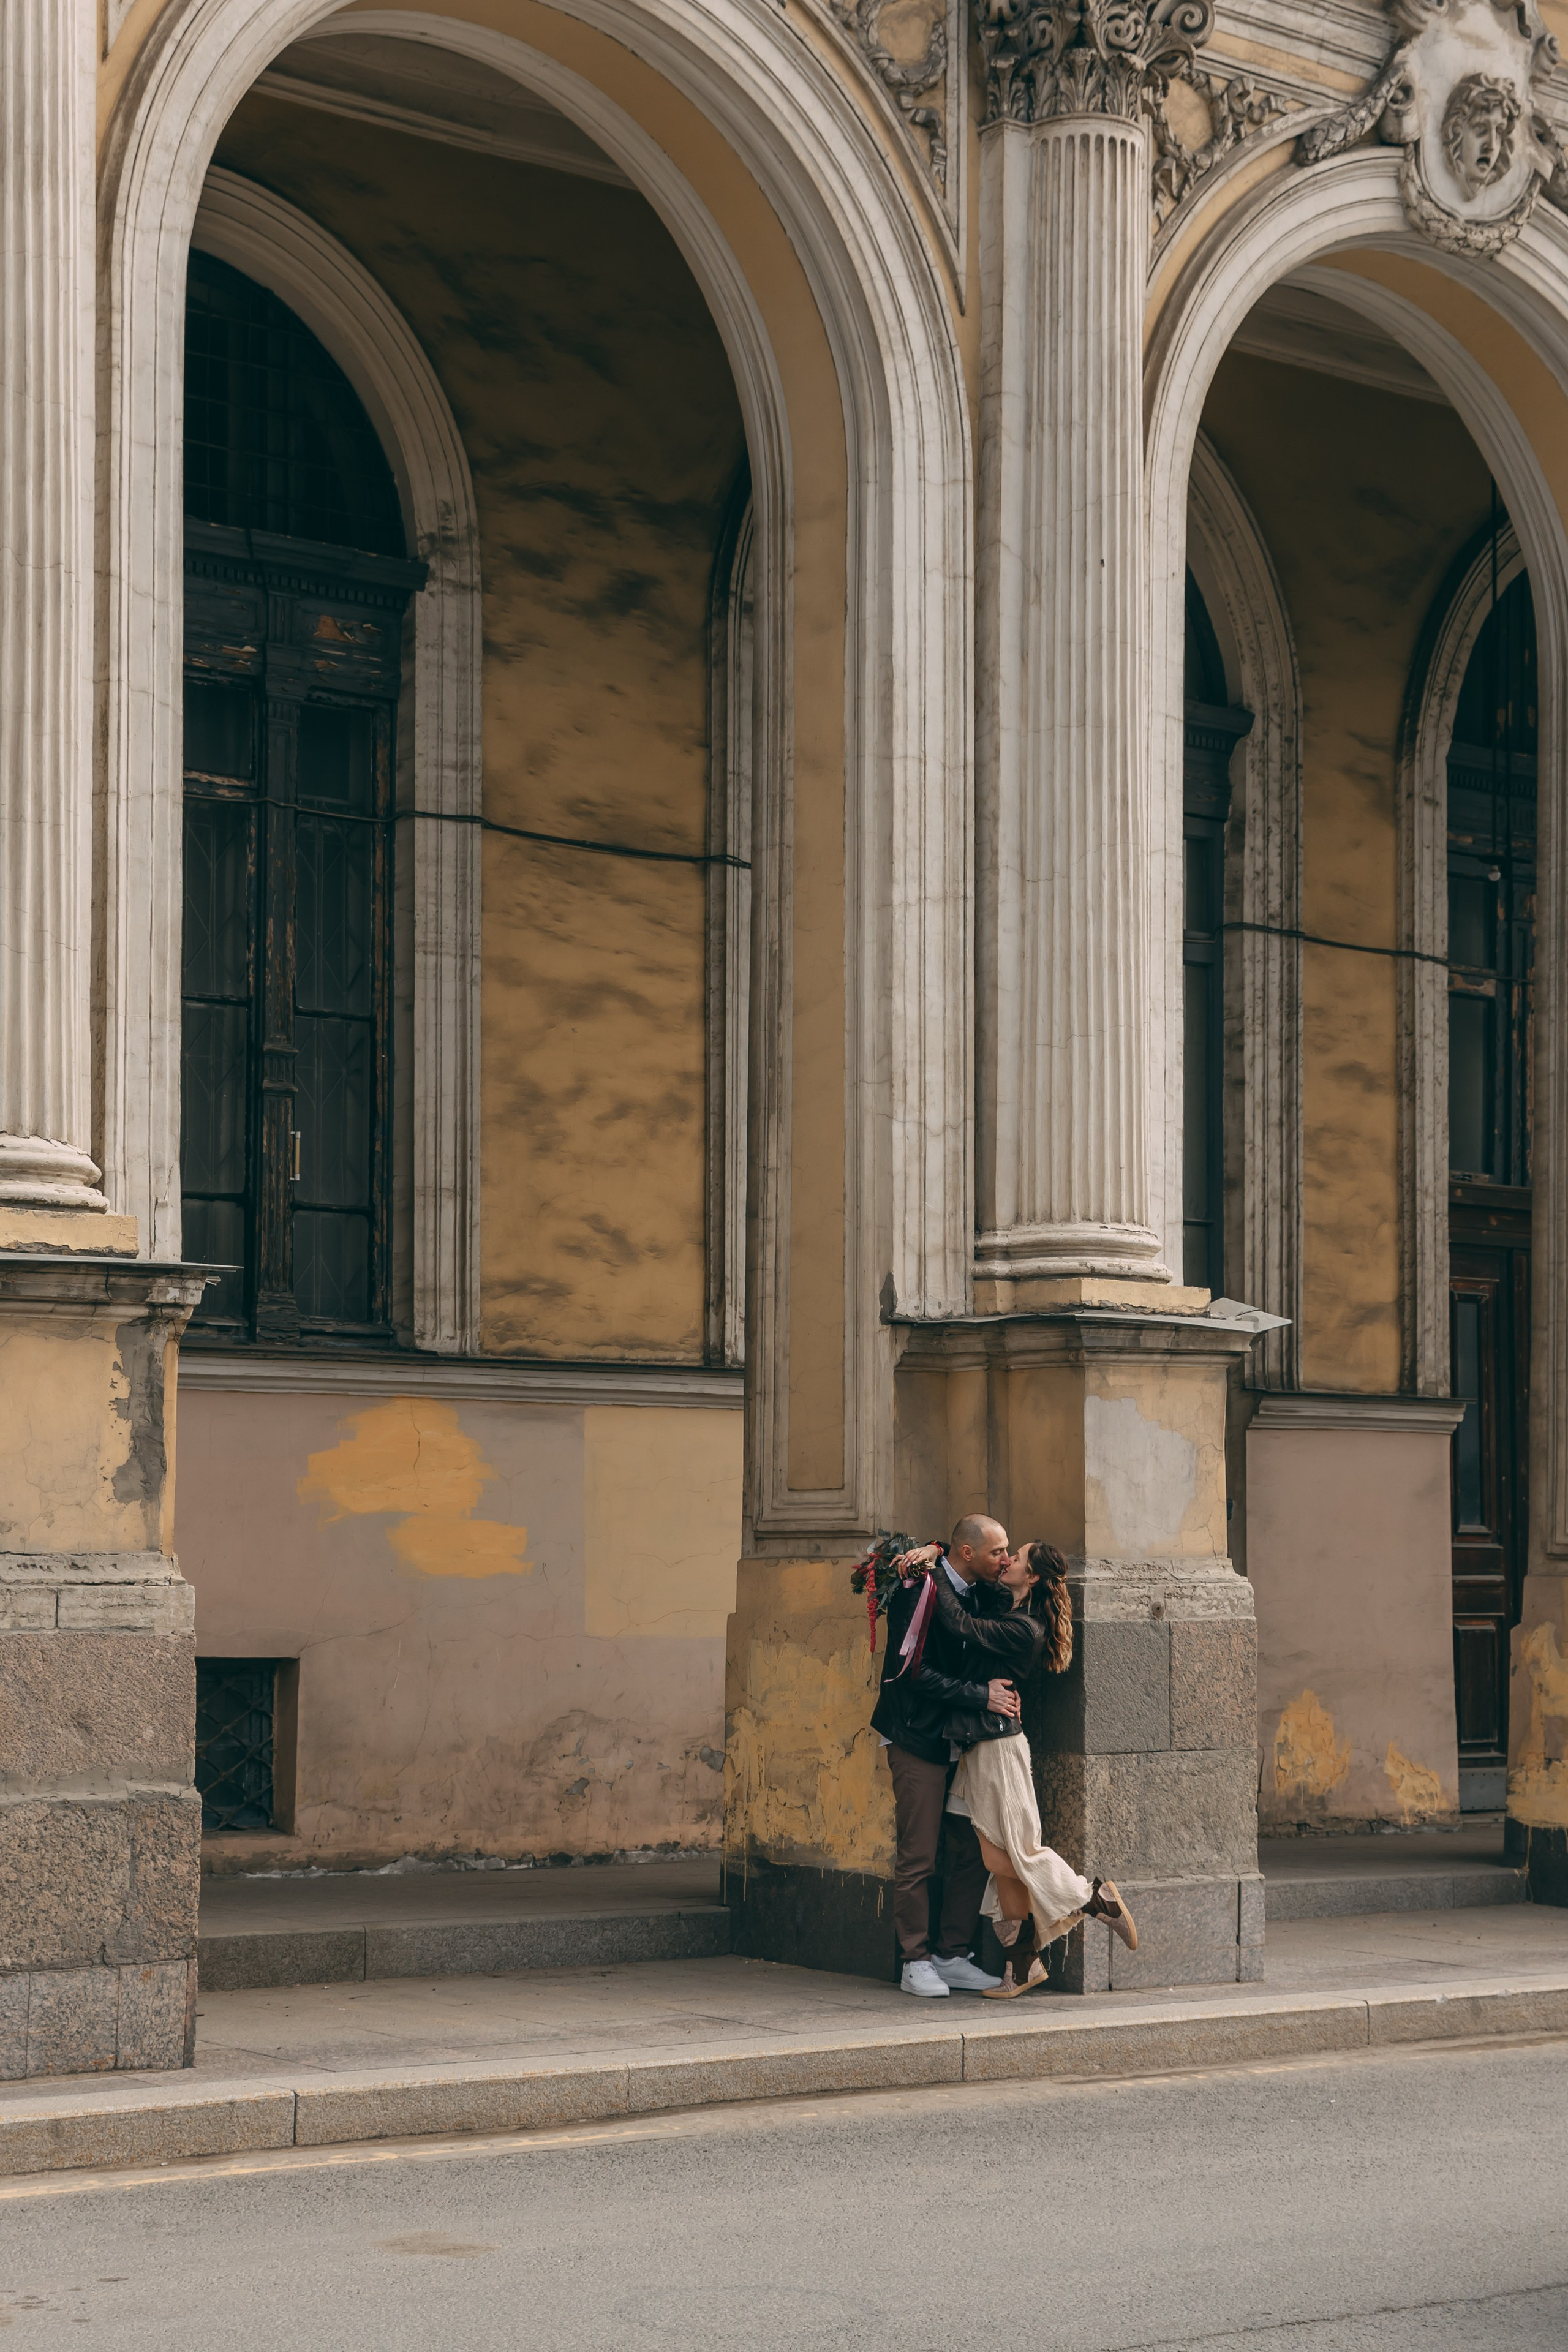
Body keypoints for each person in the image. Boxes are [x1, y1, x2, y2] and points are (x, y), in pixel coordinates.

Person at [899, 1537, 1139, 1999]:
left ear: (1031, 1577)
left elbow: (960, 1622)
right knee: (995, 1860)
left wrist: (934, 1568)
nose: (1006, 1560)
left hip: (996, 1748)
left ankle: (1093, 1898)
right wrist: (939, 1548)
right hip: (978, 1745)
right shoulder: (1007, 1607)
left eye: (1017, 1557)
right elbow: (972, 1577)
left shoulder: (1023, 1628)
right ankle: (1022, 1964)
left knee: (1007, 1856)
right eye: (1004, 1553)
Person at [870, 1515, 1018, 1997]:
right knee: (919, 1853)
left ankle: (952, 1955)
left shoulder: (982, 1590)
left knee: (975, 1848)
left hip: (963, 1739)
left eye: (1009, 1551)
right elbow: (912, 1672)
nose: (1006, 1560)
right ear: (969, 1553)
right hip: (917, 1735)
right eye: (998, 1552)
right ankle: (915, 1961)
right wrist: (982, 1696)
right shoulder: (917, 1589)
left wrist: (935, 1548)